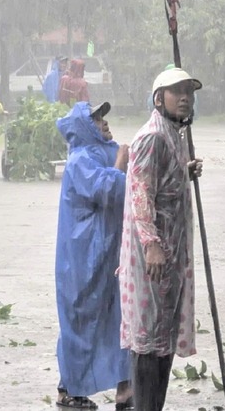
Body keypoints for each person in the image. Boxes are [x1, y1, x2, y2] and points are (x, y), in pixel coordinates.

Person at [118, 67, 203, 411]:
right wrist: (151, 242)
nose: (185, 97)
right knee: (148, 341)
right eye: (177, 91)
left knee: (162, 336)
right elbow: (141, 193)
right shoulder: (152, 136)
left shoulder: (174, 134)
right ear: (158, 99)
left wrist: (185, 171)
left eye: (189, 91)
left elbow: (163, 179)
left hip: (170, 255)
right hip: (152, 257)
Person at [55, 100, 133, 410]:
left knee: (118, 317)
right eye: (96, 119)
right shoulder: (80, 160)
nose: (104, 123)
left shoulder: (102, 151)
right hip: (83, 258)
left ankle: (126, 388)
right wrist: (122, 163)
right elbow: (111, 191)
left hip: (107, 253)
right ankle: (69, 388)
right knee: (81, 320)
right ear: (84, 128)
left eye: (103, 117)